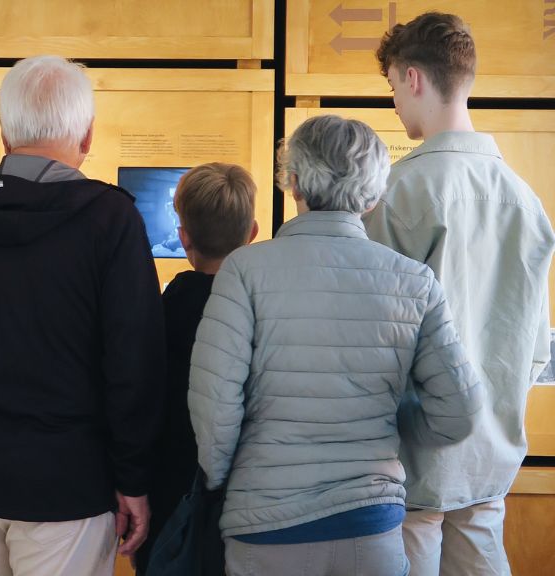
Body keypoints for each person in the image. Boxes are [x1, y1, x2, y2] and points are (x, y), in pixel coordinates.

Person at [0, 55, 165, 576]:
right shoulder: (110, 219)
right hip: (68, 480)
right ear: (87, 136)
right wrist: (133, 477)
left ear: (4, 133)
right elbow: (134, 360)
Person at [189, 115, 484, 576]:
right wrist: (392, 421)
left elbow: (215, 405)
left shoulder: (244, 271)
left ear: (292, 182)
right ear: (372, 196)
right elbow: (460, 411)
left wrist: (225, 478)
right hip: (371, 524)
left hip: (267, 523)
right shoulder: (415, 282)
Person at [365, 13, 555, 575]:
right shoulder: (525, 198)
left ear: (413, 78)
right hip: (491, 457)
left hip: (411, 459)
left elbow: (374, 337)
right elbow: (535, 346)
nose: (394, 103)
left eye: (393, 86)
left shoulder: (397, 193)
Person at [135, 163, 259, 576]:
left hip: (169, 492)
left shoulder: (163, 309)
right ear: (253, 232)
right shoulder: (258, 310)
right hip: (246, 498)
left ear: (183, 236)